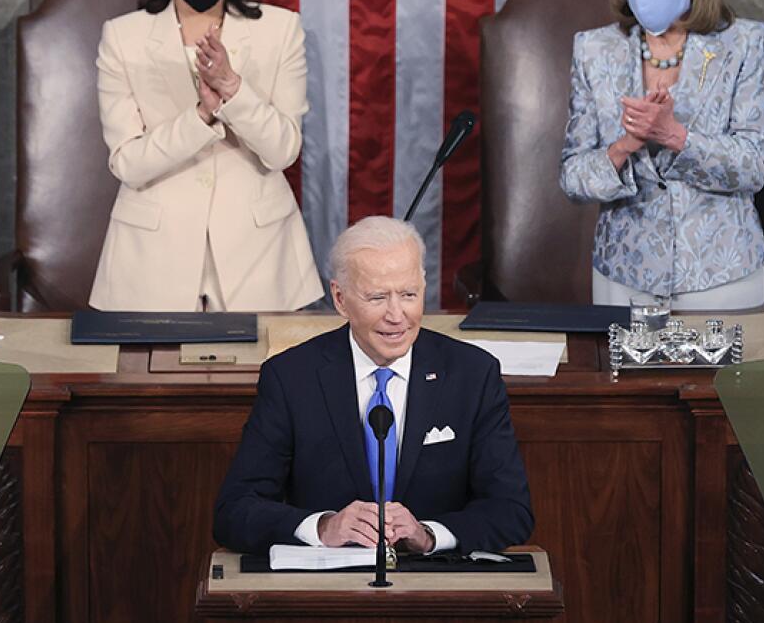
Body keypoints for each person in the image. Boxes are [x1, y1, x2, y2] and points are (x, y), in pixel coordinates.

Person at [213, 216, 533, 556]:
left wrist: (428, 535)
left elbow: (511, 510)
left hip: (436, 587)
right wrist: (323, 527)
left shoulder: (473, 374)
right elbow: (234, 511)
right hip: (328, 592)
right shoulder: (291, 378)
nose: (397, 315)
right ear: (340, 298)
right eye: (378, 297)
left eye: (409, 294)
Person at [88, 0, 323, 312]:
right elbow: (128, 162)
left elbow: (282, 149)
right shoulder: (123, 38)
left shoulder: (280, 30)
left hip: (260, 260)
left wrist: (233, 88)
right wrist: (201, 116)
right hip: (152, 263)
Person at [560, 0, 764, 311]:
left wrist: (675, 137)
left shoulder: (745, 45)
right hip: (623, 275)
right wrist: (624, 146)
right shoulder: (594, 50)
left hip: (720, 274)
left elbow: (753, 167)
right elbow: (573, 176)